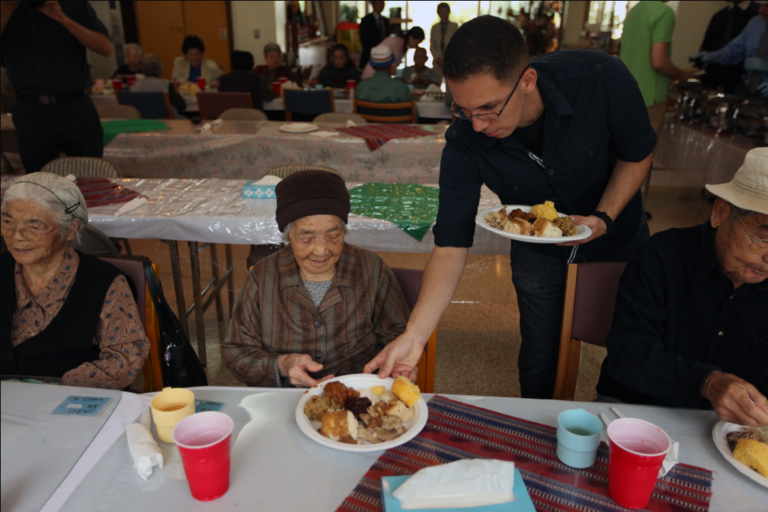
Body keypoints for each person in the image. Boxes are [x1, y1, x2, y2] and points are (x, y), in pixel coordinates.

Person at [364, 17, 655, 399]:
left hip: (619, 230)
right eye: (464, 109)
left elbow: (636, 155)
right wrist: (414, 337)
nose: (479, 125)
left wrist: (603, 218)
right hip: (538, 249)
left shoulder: (599, 78)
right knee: (539, 354)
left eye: (489, 109)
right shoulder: (465, 139)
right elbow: (451, 245)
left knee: (634, 344)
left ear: (528, 82)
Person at [596, 149, 768, 427]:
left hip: (731, 429)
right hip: (633, 412)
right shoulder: (661, 258)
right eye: (763, 238)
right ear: (721, 213)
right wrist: (709, 382)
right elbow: (629, 355)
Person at [221, 170, 409, 388]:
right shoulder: (263, 276)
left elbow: (399, 335)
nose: (321, 251)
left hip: (359, 394)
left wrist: (398, 363)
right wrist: (283, 364)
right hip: (286, 399)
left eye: (333, 236)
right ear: (288, 235)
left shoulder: (371, 269)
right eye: (306, 237)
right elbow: (236, 351)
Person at [1, 173, 149, 389]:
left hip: (69, 404)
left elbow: (124, 358)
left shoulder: (104, 282)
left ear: (70, 229)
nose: (16, 236)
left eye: (33, 227)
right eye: (7, 222)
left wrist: (59, 388)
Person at [1, 0, 111, 173]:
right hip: (29, 109)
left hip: (75, 105)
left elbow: (105, 48)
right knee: (38, 182)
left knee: (91, 173)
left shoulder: (73, 4)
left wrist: (63, 19)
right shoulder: (5, 8)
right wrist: (5, 13)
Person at [620, 1, 696, 135]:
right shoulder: (663, 12)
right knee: (641, 153)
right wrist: (681, 75)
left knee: (622, 150)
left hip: (624, 93)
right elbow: (659, 61)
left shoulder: (634, 12)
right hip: (649, 97)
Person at [695, 2, 768, 97]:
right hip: (749, 93)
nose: (760, 10)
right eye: (760, 5)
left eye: (766, 6)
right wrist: (712, 56)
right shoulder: (755, 23)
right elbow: (734, 50)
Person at [129, 54, 186, 118]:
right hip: (169, 122)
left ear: (143, 71)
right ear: (160, 71)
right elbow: (181, 106)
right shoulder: (166, 85)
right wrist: (176, 90)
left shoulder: (133, 88)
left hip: (143, 124)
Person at [359, 1, 410, 69]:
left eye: (383, 2)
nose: (382, 4)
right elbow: (364, 40)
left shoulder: (386, 20)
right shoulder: (366, 20)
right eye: (379, 2)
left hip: (384, 57)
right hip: (369, 56)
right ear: (373, 4)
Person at [430, 2, 459, 85]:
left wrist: (447, 59)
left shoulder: (454, 26)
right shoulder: (434, 28)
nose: (444, 14)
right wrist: (438, 58)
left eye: (446, 12)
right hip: (437, 62)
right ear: (438, 13)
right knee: (435, 85)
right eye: (442, 12)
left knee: (450, 86)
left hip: (450, 62)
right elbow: (432, 46)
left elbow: (456, 45)